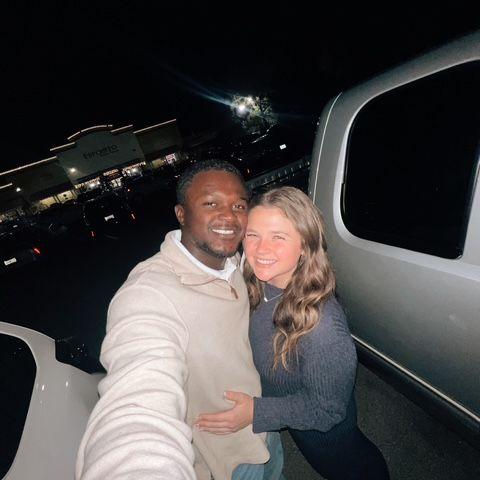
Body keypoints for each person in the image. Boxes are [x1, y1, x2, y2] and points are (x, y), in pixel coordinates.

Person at [75, 160, 284, 480]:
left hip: (264, 427)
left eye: (239, 205)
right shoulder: (149, 293)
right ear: (181, 214)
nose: (229, 216)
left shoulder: (236, 261)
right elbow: (137, 399)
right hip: (228, 462)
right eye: (211, 203)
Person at [197, 186, 390, 480]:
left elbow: (327, 411)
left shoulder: (323, 328)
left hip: (331, 444)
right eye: (253, 235)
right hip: (301, 434)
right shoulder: (259, 284)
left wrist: (256, 412)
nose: (261, 249)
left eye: (278, 237)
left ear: (305, 245)